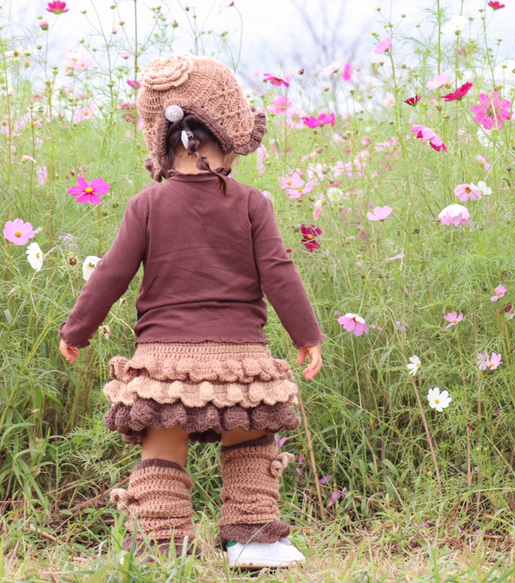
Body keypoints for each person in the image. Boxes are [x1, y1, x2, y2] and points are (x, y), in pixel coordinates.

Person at [59, 55, 324, 568]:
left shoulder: (147, 204)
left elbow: (111, 274)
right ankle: (254, 540)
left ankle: (161, 546)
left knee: (162, 447)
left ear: (163, 144)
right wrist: (306, 335)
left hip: (164, 360)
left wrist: (78, 329)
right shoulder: (252, 203)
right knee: (250, 440)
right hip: (240, 355)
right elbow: (280, 273)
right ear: (227, 138)